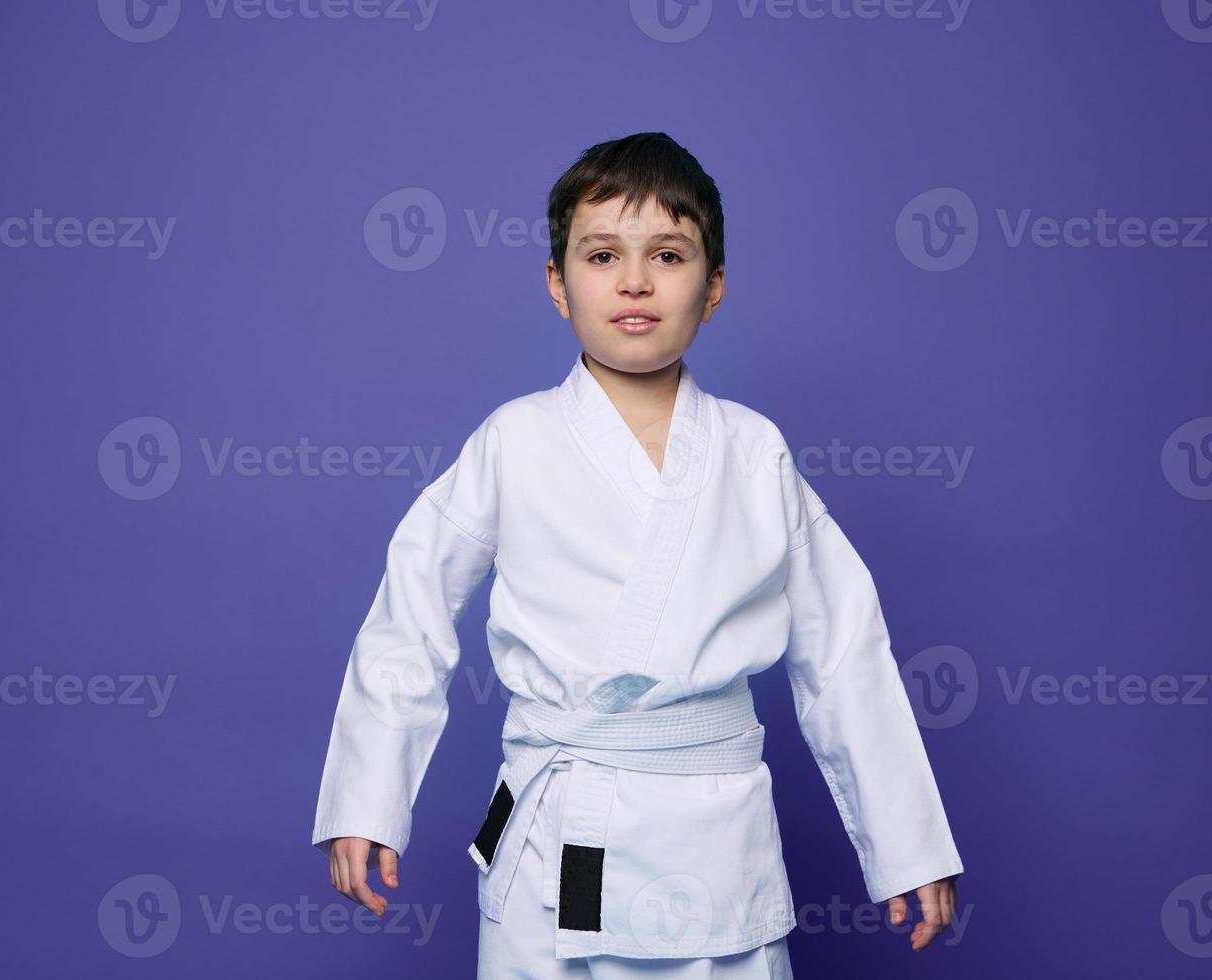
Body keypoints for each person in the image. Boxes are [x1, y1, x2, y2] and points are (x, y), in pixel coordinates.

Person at [311, 132, 964, 977]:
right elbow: (410, 620)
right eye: (601, 254)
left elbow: (844, 656)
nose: (633, 280)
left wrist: (905, 843)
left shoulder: (752, 452)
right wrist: (367, 799)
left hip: (715, 841)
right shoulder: (513, 442)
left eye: (667, 254)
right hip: (559, 838)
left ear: (714, 286)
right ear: (557, 284)